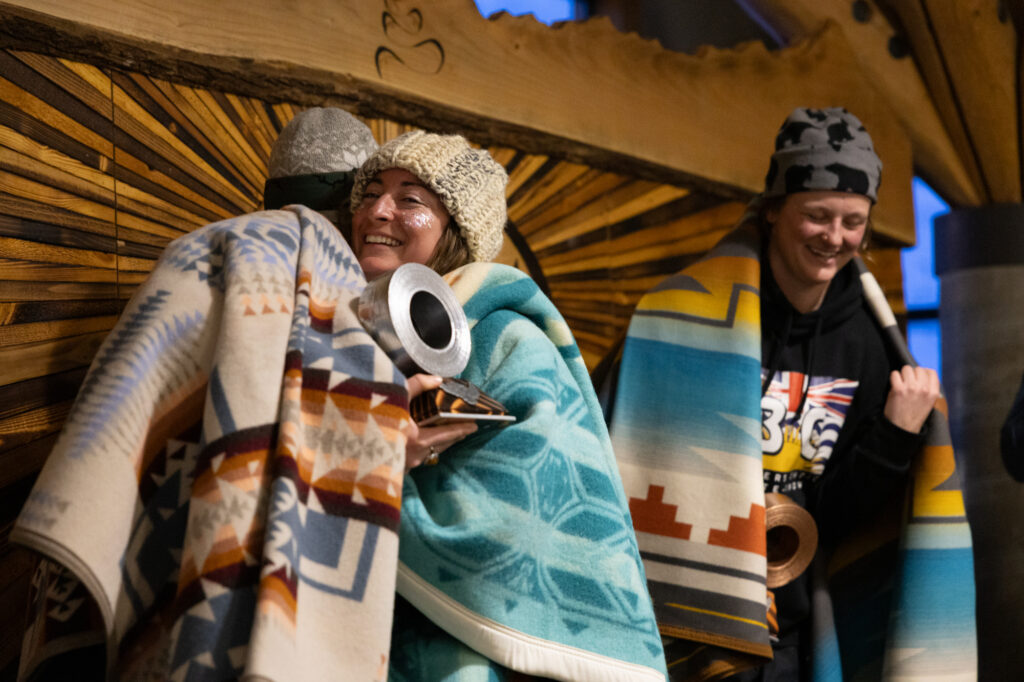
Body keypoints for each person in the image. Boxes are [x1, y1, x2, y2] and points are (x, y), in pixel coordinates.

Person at [603, 108, 964, 681]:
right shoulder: (679, 320)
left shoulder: (870, 344)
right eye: (817, 216)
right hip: (679, 622)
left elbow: (840, 518)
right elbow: (611, 464)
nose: (834, 238)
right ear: (772, 210)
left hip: (797, 632)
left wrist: (895, 433)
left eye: (853, 222)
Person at [346, 131, 667, 681]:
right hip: (345, 613)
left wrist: (395, 466)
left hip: (460, 647)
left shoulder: (511, 342)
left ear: (458, 230)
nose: (378, 210)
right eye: (372, 192)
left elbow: (542, 512)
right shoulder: (331, 321)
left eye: (411, 200)